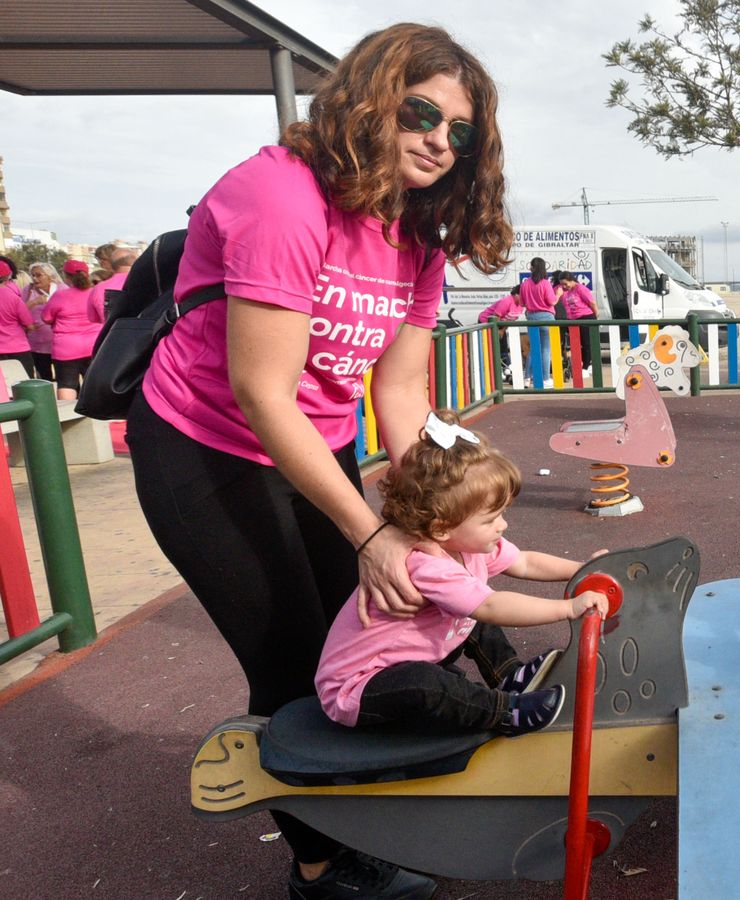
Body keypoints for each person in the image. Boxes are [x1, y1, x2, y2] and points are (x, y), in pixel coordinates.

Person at [125, 22, 512, 900]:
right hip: (206, 447)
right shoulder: (283, 195)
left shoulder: (416, 234)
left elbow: (403, 399)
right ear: (370, 97)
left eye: (460, 132)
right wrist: (371, 530)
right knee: (297, 664)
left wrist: (449, 515)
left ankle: (388, 799)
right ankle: (324, 866)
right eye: (422, 112)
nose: (437, 141)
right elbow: (264, 392)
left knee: (385, 625)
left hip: (316, 442)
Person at [316, 410, 608, 734]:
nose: (503, 525)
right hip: (361, 689)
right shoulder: (425, 564)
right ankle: (504, 712)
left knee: (471, 611)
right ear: (441, 528)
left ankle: (509, 675)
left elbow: (525, 562)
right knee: (430, 681)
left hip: (411, 659)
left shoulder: (468, 547)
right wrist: (566, 609)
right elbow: (493, 606)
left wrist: (583, 570)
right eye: (490, 519)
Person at [42, 259, 102, 400]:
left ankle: (68, 417)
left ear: (66, 276)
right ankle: (97, 418)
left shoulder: (60, 295)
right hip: (93, 345)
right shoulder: (96, 293)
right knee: (94, 382)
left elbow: (46, 318)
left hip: (66, 348)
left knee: (66, 384)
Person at [0, 259, 39, 377]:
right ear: (8, 277)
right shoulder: (13, 298)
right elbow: (30, 325)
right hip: (17, 348)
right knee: (24, 384)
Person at [22, 262, 58, 382]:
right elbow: (20, 310)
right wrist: (34, 302)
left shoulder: (61, 289)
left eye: (39, 275)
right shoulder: (28, 290)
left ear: (50, 276)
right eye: (32, 275)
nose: (35, 278)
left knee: (63, 378)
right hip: (37, 344)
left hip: (58, 343)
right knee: (43, 378)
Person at [553, 270, 598, 365]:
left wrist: (596, 316)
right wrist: (558, 294)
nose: (564, 286)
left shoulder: (580, 289)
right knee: (575, 343)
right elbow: (551, 299)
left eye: (566, 284)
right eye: (562, 284)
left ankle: (586, 365)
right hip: (571, 320)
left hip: (586, 317)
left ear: (572, 280)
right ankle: (577, 363)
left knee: (586, 343)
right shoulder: (560, 290)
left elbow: (592, 303)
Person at [88, 247, 137, 314]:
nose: (100, 262)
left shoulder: (100, 286)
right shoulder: (143, 280)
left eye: (103, 259)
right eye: (98, 259)